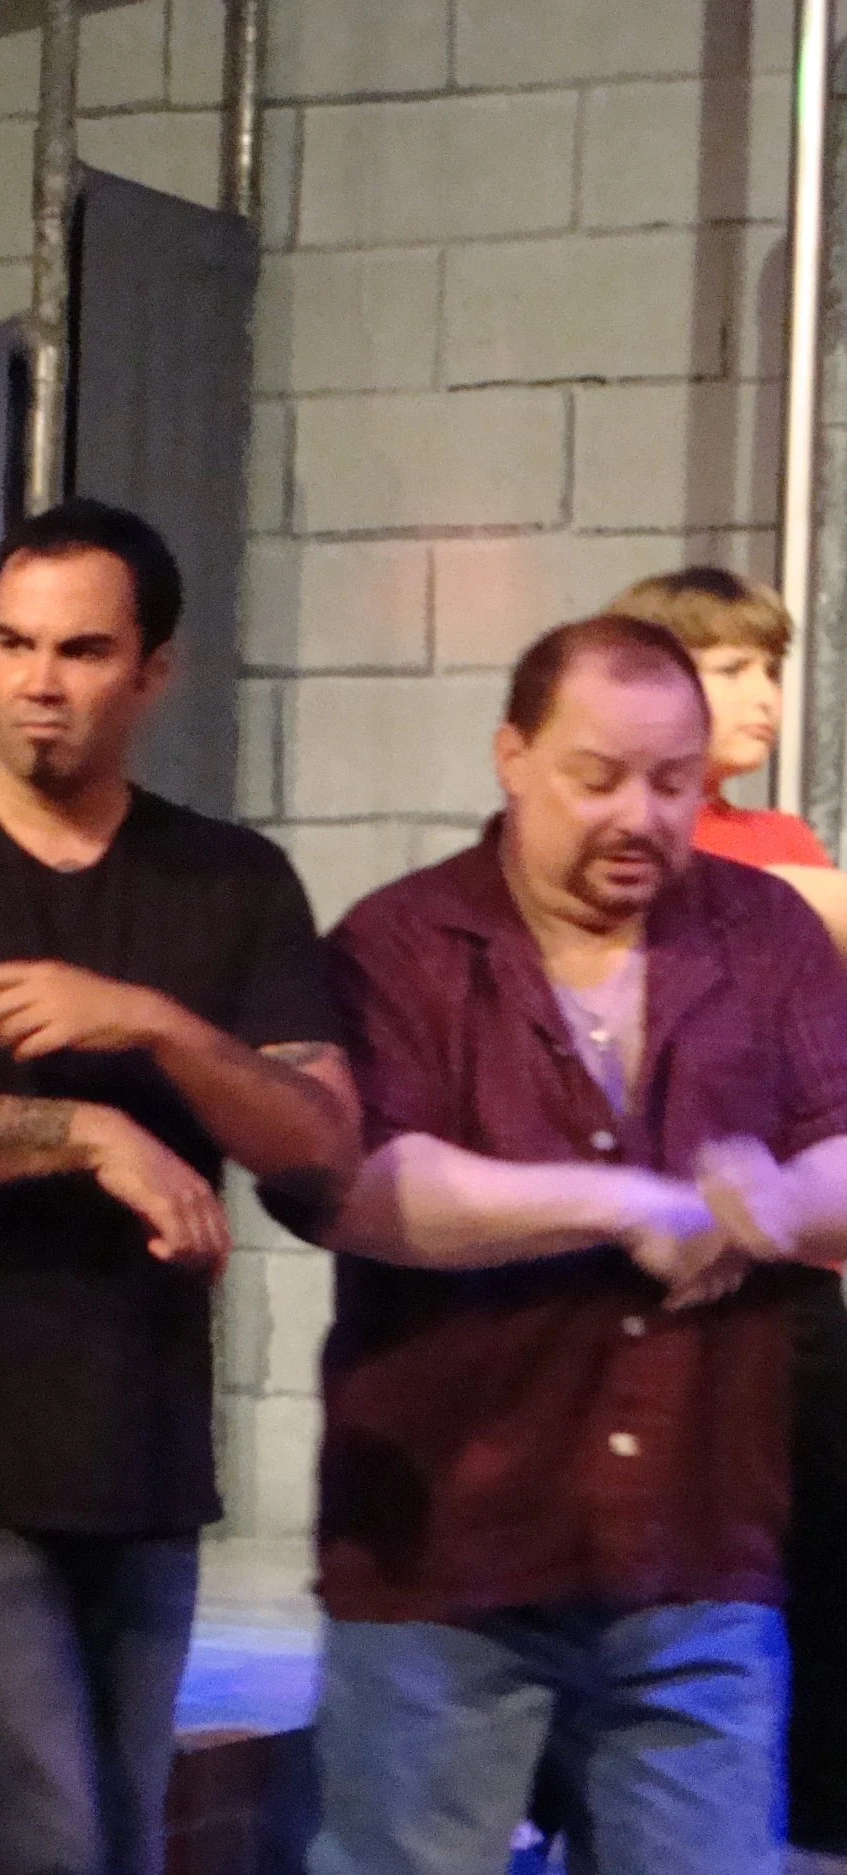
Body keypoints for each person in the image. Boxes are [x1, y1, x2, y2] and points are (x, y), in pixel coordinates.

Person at [0, 498, 360, 1875]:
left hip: (135, 1451)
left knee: (112, 1844)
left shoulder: (232, 881)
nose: (38, 681)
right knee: (35, 1837)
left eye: (81, 650)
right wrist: (85, 1130)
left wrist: (157, 1027)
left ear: (154, 670)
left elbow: (323, 1139)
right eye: (12, 643)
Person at [310, 614, 847, 1875]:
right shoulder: (400, 942)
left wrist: (770, 1202)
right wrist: (630, 1205)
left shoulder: (765, 932)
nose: (637, 817)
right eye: (597, 778)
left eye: (671, 783)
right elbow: (360, 1188)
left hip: (697, 1548)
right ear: (511, 755)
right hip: (449, 1552)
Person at [600, 567, 847, 1872]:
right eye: (730, 667)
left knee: (814, 1550)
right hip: (650, 1266)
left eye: (770, 668)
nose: (762, 693)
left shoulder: (782, 836)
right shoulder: (647, 845)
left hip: (786, 1265)